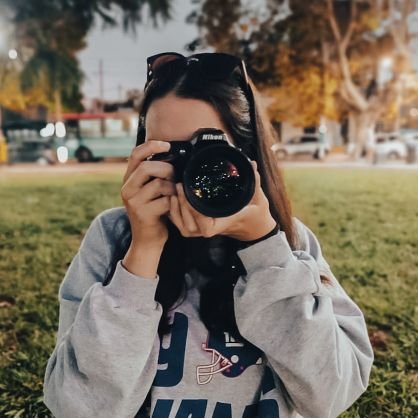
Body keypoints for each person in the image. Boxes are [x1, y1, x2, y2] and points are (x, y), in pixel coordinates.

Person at [43, 52, 373, 418]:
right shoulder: (112, 237)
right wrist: (142, 254)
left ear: (248, 157)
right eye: (169, 153)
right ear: (141, 154)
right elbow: (75, 407)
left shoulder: (291, 244)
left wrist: (264, 248)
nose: (189, 172)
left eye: (208, 150)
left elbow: (333, 392)